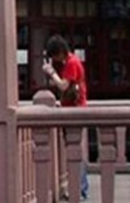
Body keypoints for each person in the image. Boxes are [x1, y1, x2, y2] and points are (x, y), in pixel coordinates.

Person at [42, 35, 89, 201]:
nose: (55, 59)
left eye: (55, 56)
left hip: (75, 109)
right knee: (74, 150)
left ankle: (81, 189)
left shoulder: (71, 63)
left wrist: (51, 72)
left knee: (75, 151)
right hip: (74, 107)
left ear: (60, 52)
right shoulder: (73, 61)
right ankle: (78, 187)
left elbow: (63, 85)